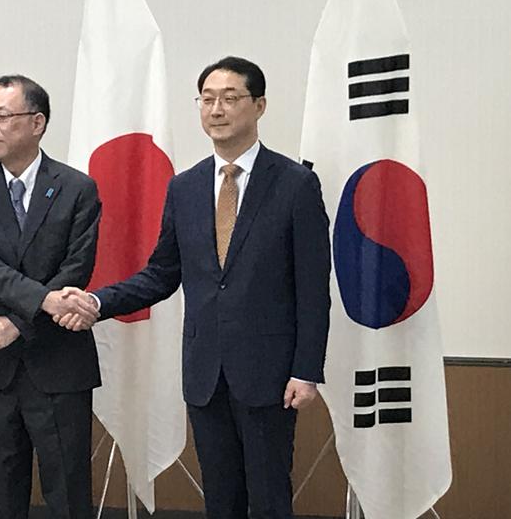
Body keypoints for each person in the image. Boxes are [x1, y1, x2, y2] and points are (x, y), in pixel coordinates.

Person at [59, 57, 331, 519]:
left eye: (230, 98)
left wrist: (306, 370)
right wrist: (98, 301)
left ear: (259, 105)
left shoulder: (294, 184)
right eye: (207, 99)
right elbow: (162, 273)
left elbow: (312, 286)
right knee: (221, 497)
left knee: (268, 496)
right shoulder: (183, 187)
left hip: (269, 374)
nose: (217, 109)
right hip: (205, 372)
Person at [0, 75, 101, 518]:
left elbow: (77, 268)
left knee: (68, 488)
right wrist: (43, 301)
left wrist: (20, 322)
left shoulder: (77, 187)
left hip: (57, 356)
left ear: (37, 122)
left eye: (2, 116)